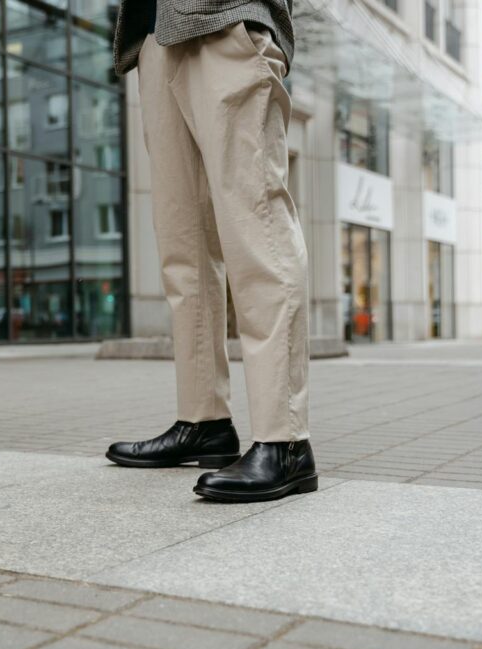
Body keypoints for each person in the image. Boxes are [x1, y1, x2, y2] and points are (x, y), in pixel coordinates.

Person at [104, 0, 316, 502]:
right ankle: (204, 422)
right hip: (156, 34)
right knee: (184, 246)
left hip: (226, 17)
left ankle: (285, 441)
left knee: (257, 227)